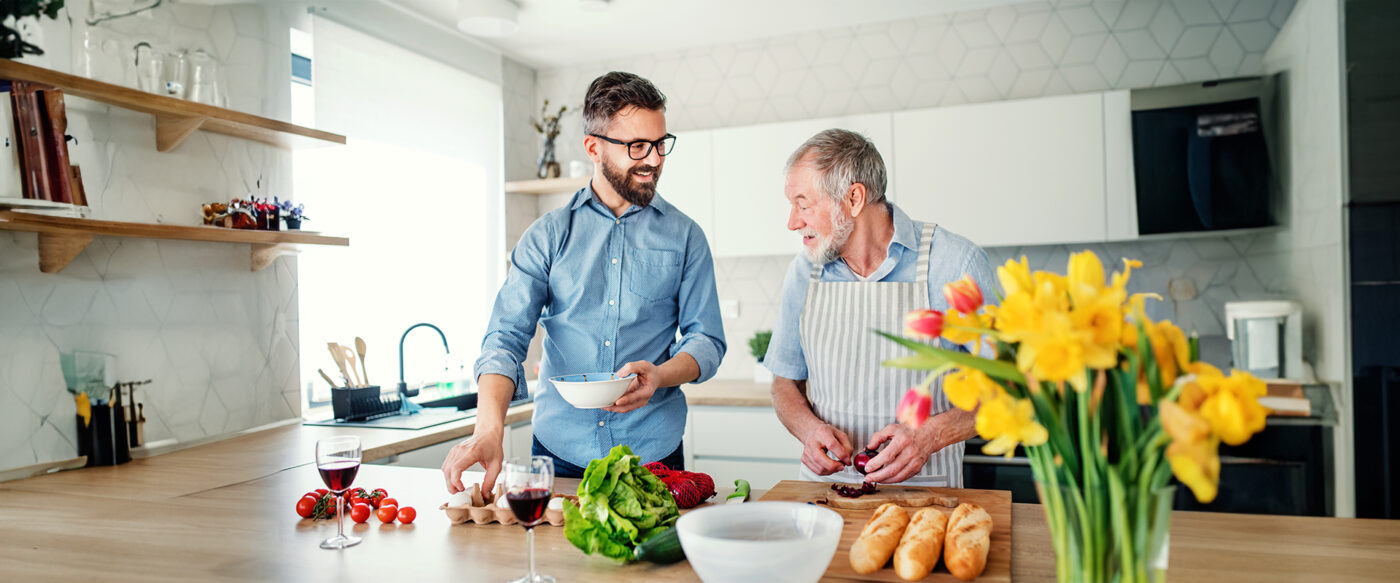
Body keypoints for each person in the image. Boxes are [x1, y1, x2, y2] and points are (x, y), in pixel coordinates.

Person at [441, 72, 726, 494]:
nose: (654, 160)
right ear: (593, 147)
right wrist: (488, 429)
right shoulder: (548, 235)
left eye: (661, 144)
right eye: (637, 147)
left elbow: (707, 341)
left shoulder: (686, 236)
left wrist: (660, 376)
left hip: (653, 454)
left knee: (655, 561)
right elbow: (504, 337)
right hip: (560, 454)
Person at [765, 129, 997, 487]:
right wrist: (808, 429)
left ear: (854, 198)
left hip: (927, 494)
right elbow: (784, 382)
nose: (792, 222)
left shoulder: (953, 263)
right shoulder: (804, 271)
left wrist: (929, 436)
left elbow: (1009, 385)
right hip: (827, 493)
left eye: (803, 203)